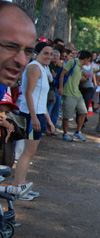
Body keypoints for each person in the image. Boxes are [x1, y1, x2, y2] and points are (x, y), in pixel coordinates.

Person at [12, 42, 55, 201]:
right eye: (45, 53)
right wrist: (35, 117)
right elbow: (28, 93)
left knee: (31, 152)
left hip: (38, 114)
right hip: (31, 116)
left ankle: (21, 185)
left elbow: (40, 99)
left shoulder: (43, 69)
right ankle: (17, 187)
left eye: (51, 54)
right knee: (27, 152)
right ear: (37, 53)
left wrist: (48, 119)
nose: (49, 57)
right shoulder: (34, 67)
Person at [59, 50, 92, 142]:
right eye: (88, 60)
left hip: (77, 93)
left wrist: (83, 79)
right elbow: (62, 74)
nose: (88, 62)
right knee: (67, 115)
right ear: (85, 59)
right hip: (68, 93)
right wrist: (61, 87)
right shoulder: (72, 62)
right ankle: (65, 133)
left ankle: (78, 132)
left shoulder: (80, 67)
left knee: (83, 112)